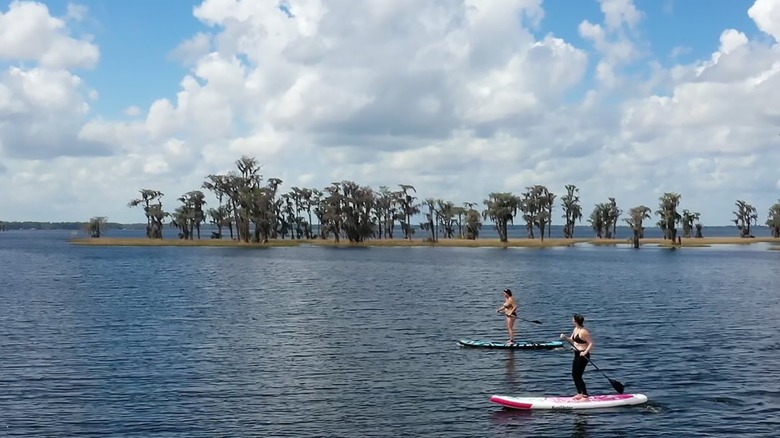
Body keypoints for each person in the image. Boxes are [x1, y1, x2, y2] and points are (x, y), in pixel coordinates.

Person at [560, 313, 593, 401]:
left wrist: (585, 352)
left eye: (573, 319)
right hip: (576, 354)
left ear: (576, 321)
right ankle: (579, 393)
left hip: (583, 355)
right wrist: (565, 337)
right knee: (575, 375)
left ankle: (585, 396)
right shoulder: (576, 329)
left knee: (578, 375)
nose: (572, 320)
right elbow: (572, 339)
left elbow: (590, 343)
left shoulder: (583, 331)